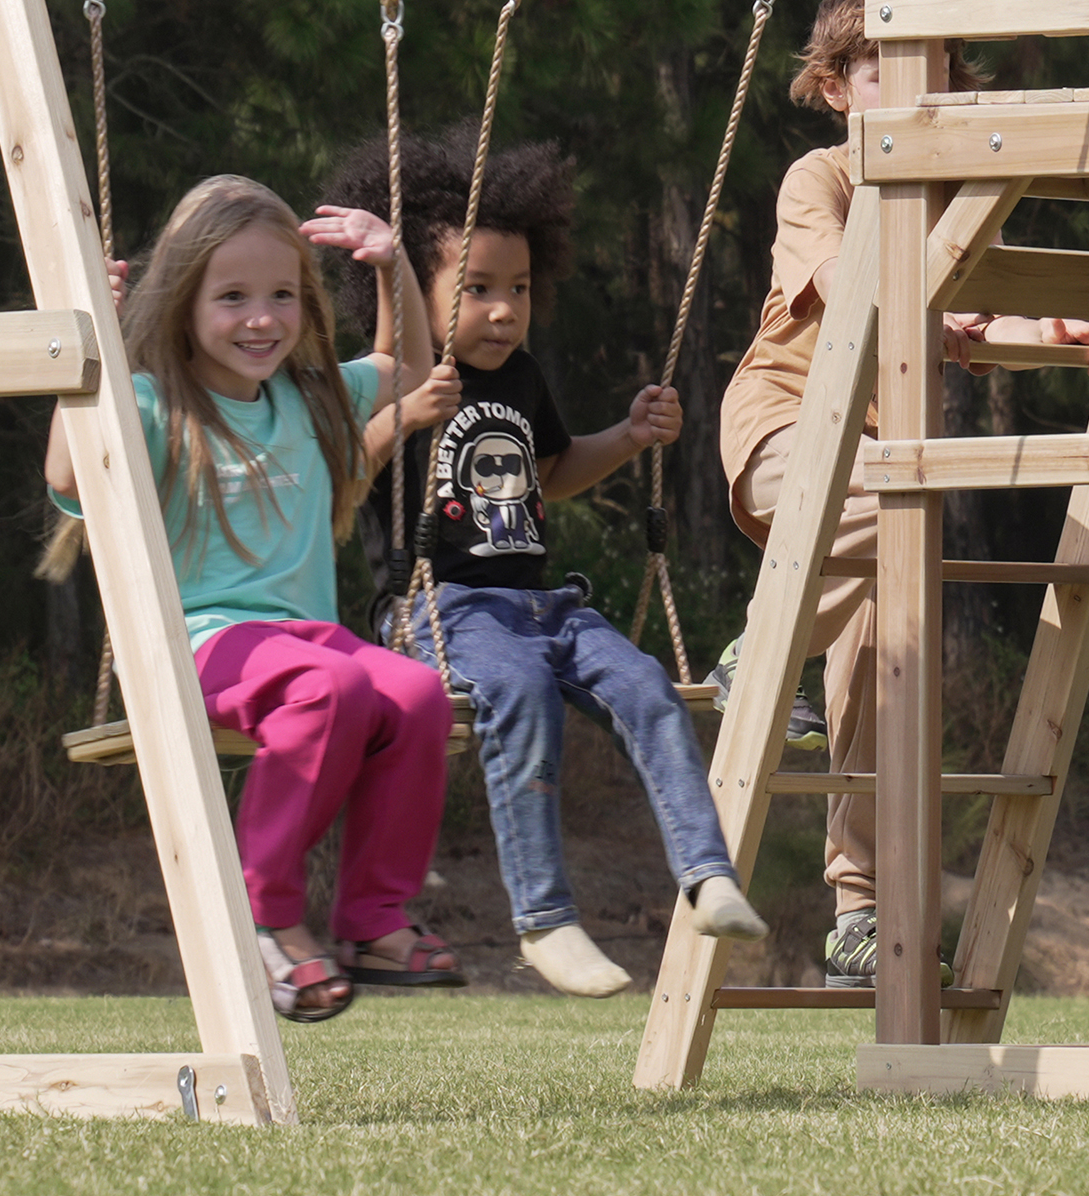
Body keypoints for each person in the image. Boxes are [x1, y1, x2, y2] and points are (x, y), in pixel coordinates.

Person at [713, 0, 1089, 986]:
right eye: (876, 68)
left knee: (883, 660)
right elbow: (853, 282)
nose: (900, 88)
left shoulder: (946, 206)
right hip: (787, 434)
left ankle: (862, 908)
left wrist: (1059, 334)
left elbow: (976, 325)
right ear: (836, 88)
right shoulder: (823, 179)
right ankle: (764, 644)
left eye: (924, 69)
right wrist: (942, 312)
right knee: (888, 512)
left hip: (883, 471)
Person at [326, 128, 772, 998]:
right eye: (480, 289)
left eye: (519, 289)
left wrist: (628, 435)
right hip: (442, 608)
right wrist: (410, 414)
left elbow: (556, 473)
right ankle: (544, 921)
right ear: (423, 294)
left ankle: (707, 875)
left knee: (645, 684)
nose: (504, 310)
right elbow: (349, 476)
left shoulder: (522, 378)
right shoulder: (406, 378)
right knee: (524, 701)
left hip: (541, 604)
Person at [48, 172, 464, 1025]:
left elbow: (409, 366)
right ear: (183, 300)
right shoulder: (152, 403)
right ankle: (264, 912)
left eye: (280, 295)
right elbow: (66, 473)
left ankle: (373, 919)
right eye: (232, 296)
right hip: (195, 643)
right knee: (332, 687)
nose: (261, 318)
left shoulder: (308, 402)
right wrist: (89, 329)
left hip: (303, 640)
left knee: (419, 694)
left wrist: (392, 272)